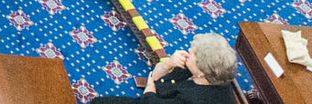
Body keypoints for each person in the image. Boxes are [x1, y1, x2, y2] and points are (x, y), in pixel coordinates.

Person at [90, 34, 238, 104]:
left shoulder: (194, 100)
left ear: (201, 70)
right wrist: (168, 64)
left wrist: (149, 91)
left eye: (192, 53)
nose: (187, 51)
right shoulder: (202, 72)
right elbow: (155, 77)